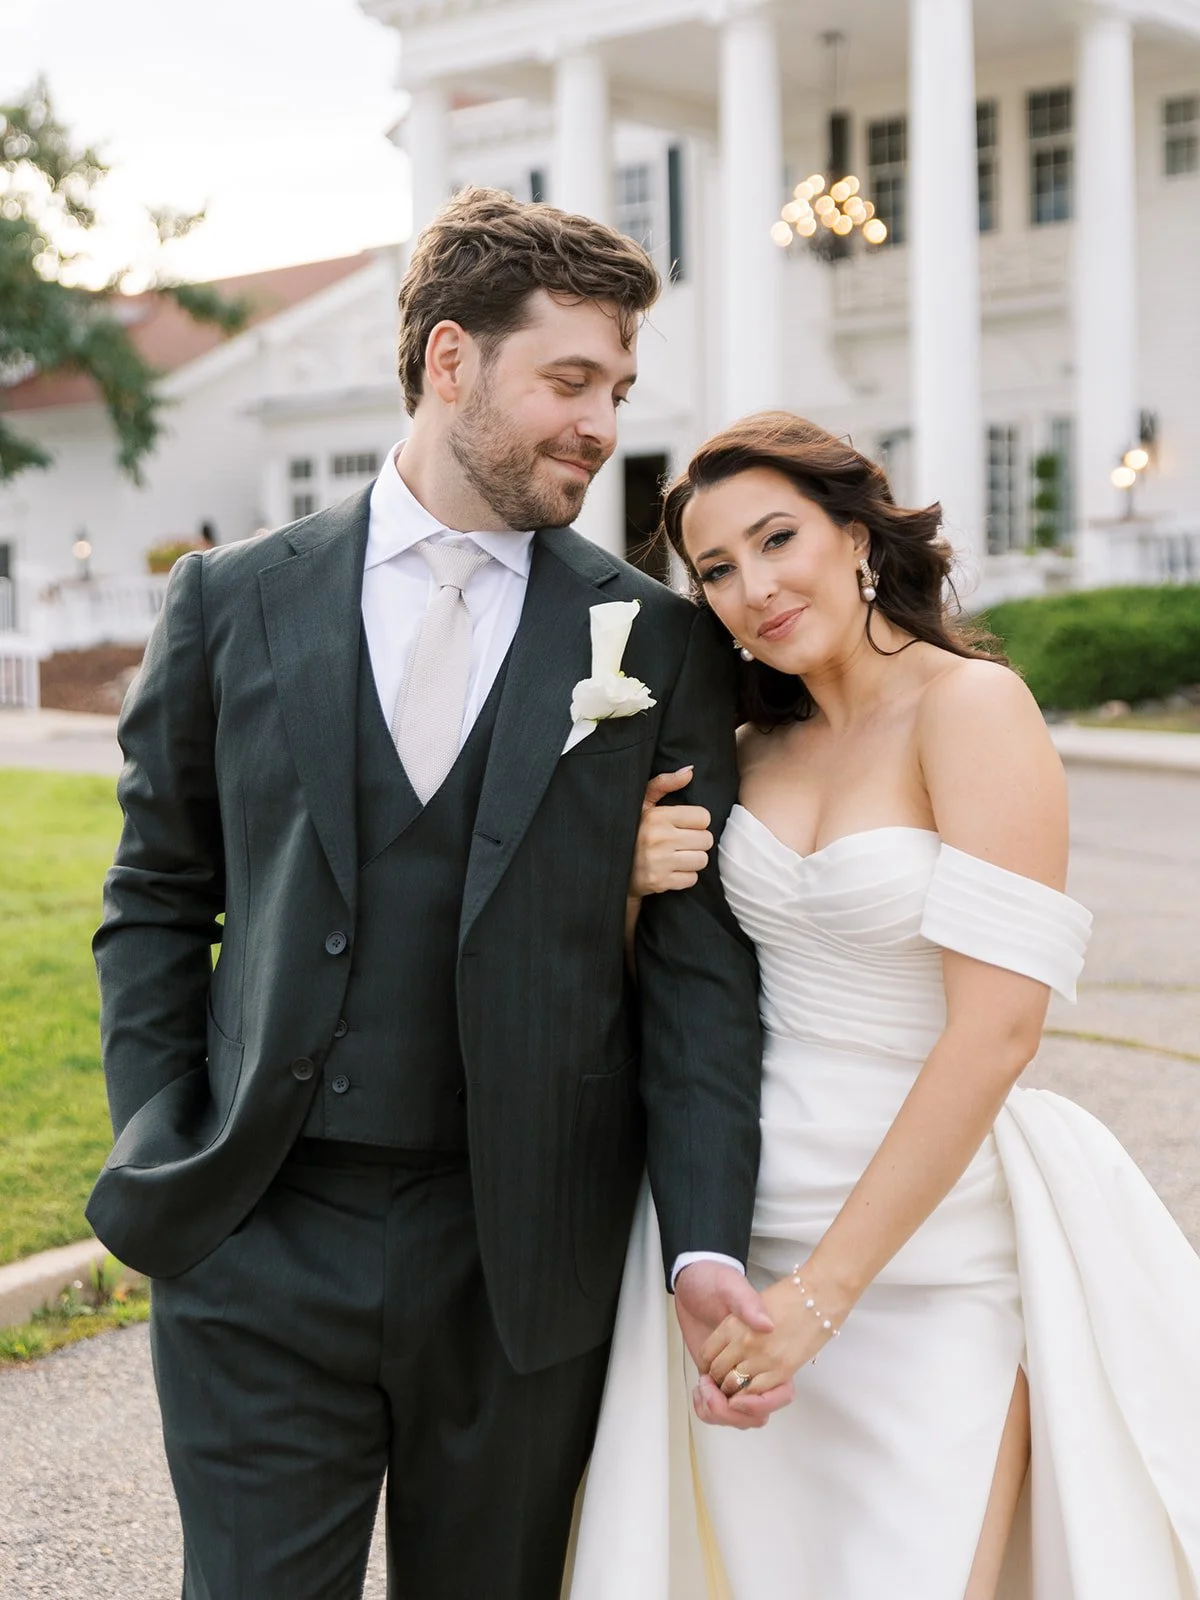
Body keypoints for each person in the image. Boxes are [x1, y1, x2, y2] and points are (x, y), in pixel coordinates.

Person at [86, 189, 774, 1600]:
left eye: (619, 389)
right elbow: (157, 894)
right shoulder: (229, 602)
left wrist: (704, 1235)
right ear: (451, 362)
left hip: (523, 1255)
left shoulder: (651, 638)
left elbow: (702, 975)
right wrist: (164, 1142)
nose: (602, 422)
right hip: (258, 1236)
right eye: (569, 380)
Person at [567, 412, 1200, 1599]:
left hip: (932, 1243)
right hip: (744, 1224)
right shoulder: (747, 749)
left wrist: (821, 1300)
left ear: (856, 536)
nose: (753, 588)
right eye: (716, 569)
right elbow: (684, 995)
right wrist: (627, 889)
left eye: (776, 539)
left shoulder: (974, 709)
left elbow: (997, 1029)